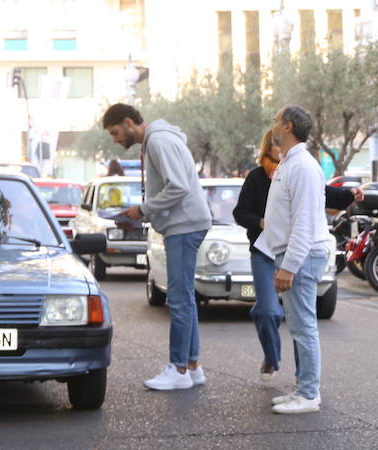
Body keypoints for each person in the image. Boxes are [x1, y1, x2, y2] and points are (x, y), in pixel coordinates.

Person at [234, 129, 361, 383]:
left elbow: (321, 195)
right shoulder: (260, 176)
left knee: (299, 320)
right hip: (263, 250)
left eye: (278, 138)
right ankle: (273, 359)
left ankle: (304, 383)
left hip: (294, 250)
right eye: (272, 143)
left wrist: (350, 194)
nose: (277, 146)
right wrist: (260, 222)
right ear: (267, 147)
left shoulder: (297, 167)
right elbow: (240, 213)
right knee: (269, 311)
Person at [103, 102, 212, 391]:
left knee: (178, 298)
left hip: (184, 225)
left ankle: (178, 369)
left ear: (129, 122)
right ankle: (192, 366)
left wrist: (142, 210)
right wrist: (141, 212)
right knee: (185, 297)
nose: (115, 139)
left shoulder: (158, 141)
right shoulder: (160, 139)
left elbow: (178, 188)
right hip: (186, 223)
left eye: (115, 132)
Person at [256, 105, 334, 414]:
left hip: (299, 257)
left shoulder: (302, 166)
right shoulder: (291, 163)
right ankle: (302, 388)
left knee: (304, 328)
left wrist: (289, 265)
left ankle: (308, 394)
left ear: (288, 126)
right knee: (300, 327)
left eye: (276, 121)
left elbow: (304, 222)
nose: (272, 126)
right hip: (289, 254)